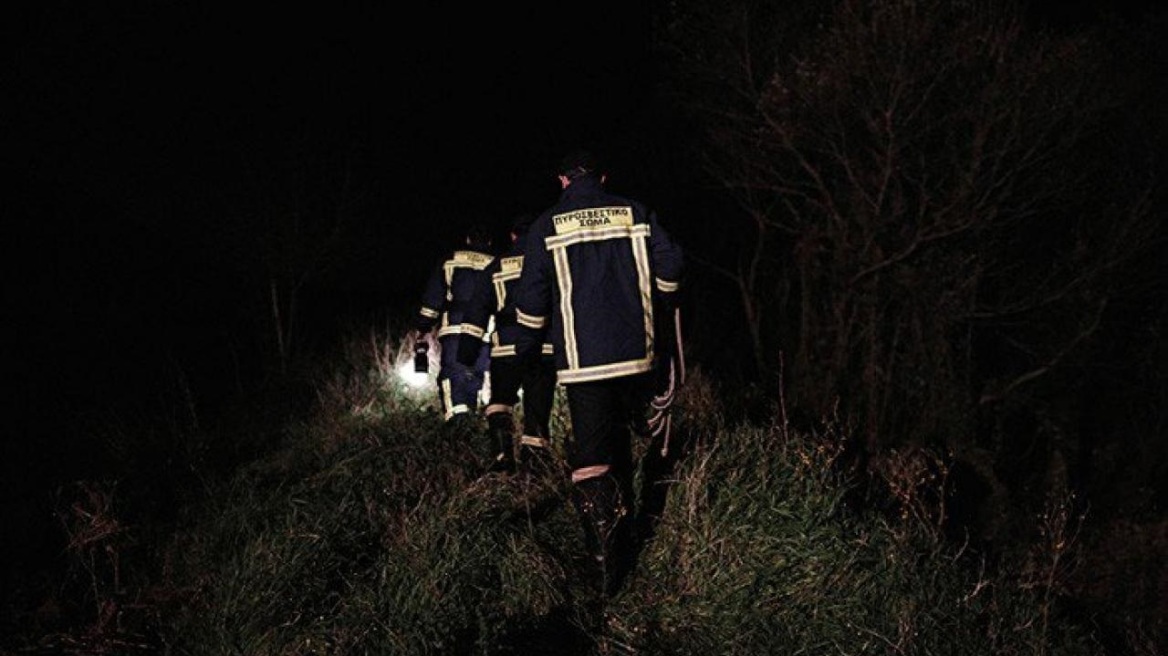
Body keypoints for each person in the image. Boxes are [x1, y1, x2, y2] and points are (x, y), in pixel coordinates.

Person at [513, 148, 684, 595]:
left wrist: (527, 350)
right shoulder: (636, 211)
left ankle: (606, 563)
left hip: (582, 361)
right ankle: (631, 525)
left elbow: (531, 298)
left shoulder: (546, 225)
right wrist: (662, 302)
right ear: (603, 177)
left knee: (591, 458)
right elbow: (671, 264)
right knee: (626, 438)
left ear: (563, 180)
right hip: (637, 353)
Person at [457, 212, 559, 474]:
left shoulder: (497, 267)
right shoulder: (549, 262)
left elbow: (477, 310)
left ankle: (502, 457)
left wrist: (466, 354)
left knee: (500, 402)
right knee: (537, 409)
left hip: (506, 349)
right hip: (544, 348)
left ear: (513, 236)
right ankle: (535, 470)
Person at [413, 224, 495, 428]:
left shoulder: (450, 260)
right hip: (485, 330)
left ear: (467, 239)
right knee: (477, 373)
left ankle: (457, 424)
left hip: (455, 329)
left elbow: (433, 298)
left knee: (453, 373)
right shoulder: (497, 263)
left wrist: (423, 327)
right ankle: (474, 420)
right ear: (489, 242)